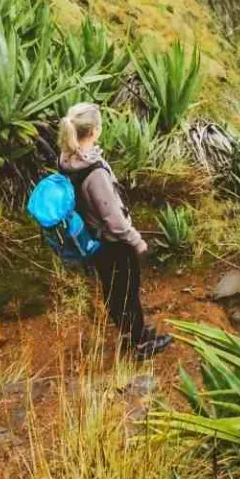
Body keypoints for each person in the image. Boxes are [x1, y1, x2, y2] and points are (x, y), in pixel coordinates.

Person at [56, 102, 171, 358]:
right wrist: (137, 241)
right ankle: (140, 344)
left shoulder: (66, 160)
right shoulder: (93, 173)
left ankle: (131, 333)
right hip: (112, 242)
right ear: (95, 131)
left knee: (112, 289)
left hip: (92, 239)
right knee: (126, 290)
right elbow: (114, 220)